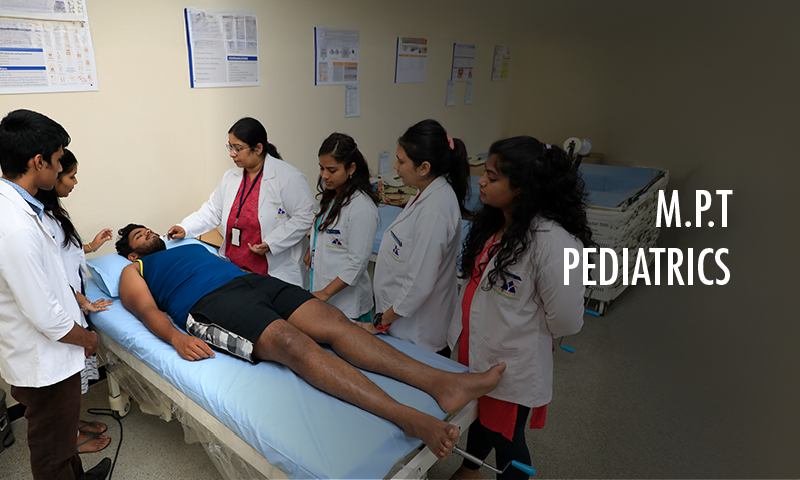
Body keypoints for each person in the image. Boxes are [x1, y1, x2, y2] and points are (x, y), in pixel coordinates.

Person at [114, 223, 506, 460]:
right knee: (292, 344)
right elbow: (147, 312)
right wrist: (175, 339)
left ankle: (442, 382)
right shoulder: (134, 271)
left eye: (147, 229)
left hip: (251, 282)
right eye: (138, 236)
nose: (148, 233)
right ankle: (406, 417)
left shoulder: (192, 246)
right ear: (131, 253)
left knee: (336, 322)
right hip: (209, 303)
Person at [446, 137, 591, 480]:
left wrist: (539, 331)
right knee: (481, 417)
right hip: (477, 346)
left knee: (506, 437)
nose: (481, 181)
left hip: (510, 360)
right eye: (484, 173)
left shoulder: (553, 243)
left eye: (492, 177)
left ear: (522, 188)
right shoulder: (496, 222)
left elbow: (567, 320)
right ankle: (469, 470)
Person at [0, 109, 111, 480]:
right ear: (39, 162)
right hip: (43, 362)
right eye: (59, 159)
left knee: (62, 440)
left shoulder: (27, 209)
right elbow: (44, 314)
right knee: (52, 454)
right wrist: (88, 339)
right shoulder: (16, 227)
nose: (62, 167)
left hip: (49, 352)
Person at [168, 117, 316, 288]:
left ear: (258, 148)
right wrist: (186, 227)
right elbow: (212, 210)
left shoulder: (288, 177)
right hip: (236, 267)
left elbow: (306, 216)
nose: (232, 154)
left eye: (238, 149)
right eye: (230, 147)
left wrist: (272, 243)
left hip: (275, 270)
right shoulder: (231, 177)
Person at [366, 119, 471, 356]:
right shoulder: (425, 194)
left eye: (401, 161)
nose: (395, 166)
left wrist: (381, 321)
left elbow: (419, 285)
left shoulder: (434, 211)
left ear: (423, 168)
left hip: (418, 334)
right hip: (403, 326)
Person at [35, 148, 114, 454]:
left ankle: (73, 425)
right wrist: (84, 302)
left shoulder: (53, 212)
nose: (74, 182)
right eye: (70, 175)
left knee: (72, 386)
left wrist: (92, 245)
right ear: (53, 176)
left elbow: (66, 255)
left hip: (71, 304)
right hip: (64, 311)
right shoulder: (39, 219)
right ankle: (70, 439)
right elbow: (54, 275)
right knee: (65, 386)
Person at [304, 133, 379, 322]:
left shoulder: (361, 207)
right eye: (322, 168)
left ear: (351, 168)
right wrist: (312, 249)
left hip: (348, 305)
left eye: (332, 170)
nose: (324, 175)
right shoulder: (333, 195)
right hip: (324, 295)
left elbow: (357, 264)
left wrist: (324, 293)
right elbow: (326, 233)